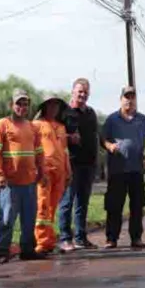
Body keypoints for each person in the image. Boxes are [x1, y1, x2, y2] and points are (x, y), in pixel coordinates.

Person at [0, 90, 44, 263]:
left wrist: (41, 172)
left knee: (29, 219)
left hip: (29, 182)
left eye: (25, 104)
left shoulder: (32, 127)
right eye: (18, 103)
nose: (22, 107)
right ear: (11, 105)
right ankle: (1, 251)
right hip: (9, 183)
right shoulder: (2, 125)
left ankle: (27, 249)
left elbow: (39, 152)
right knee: (7, 218)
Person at [101, 86, 145, 249]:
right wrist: (109, 145)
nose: (129, 100)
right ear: (121, 99)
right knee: (114, 205)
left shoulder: (143, 120)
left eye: (132, 97)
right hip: (117, 169)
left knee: (137, 205)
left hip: (136, 169)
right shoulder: (112, 119)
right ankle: (111, 238)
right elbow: (102, 138)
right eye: (127, 97)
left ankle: (136, 238)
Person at [57, 78, 99, 251]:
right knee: (67, 202)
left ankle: (81, 237)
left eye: (85, 92)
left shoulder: (91, 113)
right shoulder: (64, 113)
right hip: (70, 164)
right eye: (79, 91)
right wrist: (69, 138)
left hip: (88, 164)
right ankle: (65, 238)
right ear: (73, 91)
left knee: (83, 203)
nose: (82, 94)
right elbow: (52, 135)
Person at [32, 95, 72, 255]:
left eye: (56, 106)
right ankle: (41, 242)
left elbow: (65, 150)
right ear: (44, 107)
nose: (54, 108)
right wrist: (37, 168)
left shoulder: (61, 127)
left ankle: (49, 241)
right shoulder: (36, 125)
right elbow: (33, 147)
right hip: (44, 171)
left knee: (52, 207)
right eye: (51, 105)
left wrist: (68, 170)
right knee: (42, 205)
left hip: (60, 172)